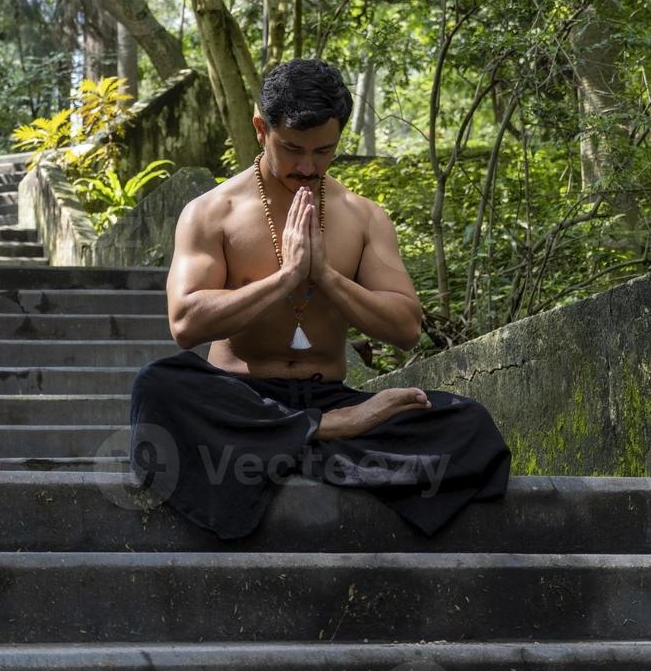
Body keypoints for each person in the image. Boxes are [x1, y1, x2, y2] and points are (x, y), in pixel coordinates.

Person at [130, 57, 511, 540]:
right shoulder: (211, 213)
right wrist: (285, 278)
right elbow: (185, 325)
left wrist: (327, 277)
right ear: (260, 128)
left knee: (468, 424)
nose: (308, 166)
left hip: (312, 402)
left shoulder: (364, 216)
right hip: (241, 404)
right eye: (292, 149)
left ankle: (296, 442)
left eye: (324, 151)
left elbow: (405, 328)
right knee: (157, 387)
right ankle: (327, 432)